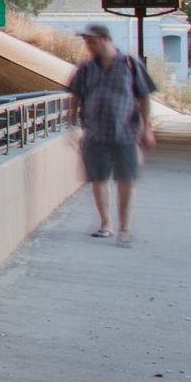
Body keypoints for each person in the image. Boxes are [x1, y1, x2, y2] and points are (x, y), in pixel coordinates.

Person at [68, 24, 155, 246]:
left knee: (126, 178)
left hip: (125, 132)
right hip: (95, 132)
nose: (88, 45)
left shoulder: (129, 64)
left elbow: (144, 96)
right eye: (86, 42)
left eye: (92, 41)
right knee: (99, 178)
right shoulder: (85, 68)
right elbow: (75, 96)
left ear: (106, 39)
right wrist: (72, 125)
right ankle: (106, 223)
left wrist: (147, 128)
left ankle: (125, 227)